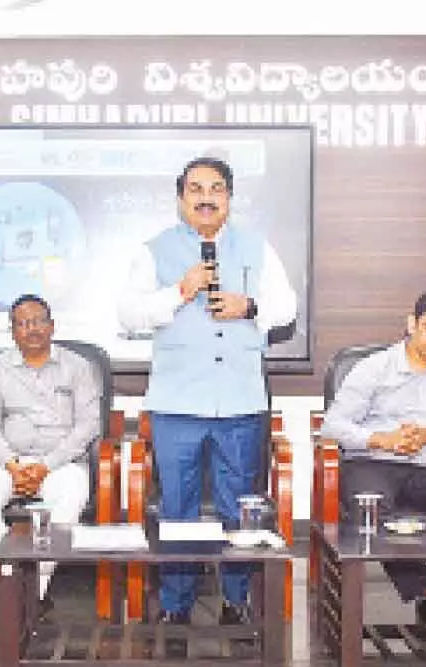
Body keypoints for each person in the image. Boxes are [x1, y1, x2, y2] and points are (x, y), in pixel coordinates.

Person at [118, 156, 297, 625]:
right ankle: (176, 604)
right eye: (195, 189)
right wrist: (180, 289)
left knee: (241, 502)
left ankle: (236, 599)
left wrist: (249, 304)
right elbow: (130, 315)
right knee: (177, 504)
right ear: (181, 199)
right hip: (177, 401)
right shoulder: (153, 251)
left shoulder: (258, 248)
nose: (205, 197)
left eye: (216, 188)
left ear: (229, 199)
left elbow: (286, 307)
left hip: (239, 398)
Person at [320, 290, 426, 622]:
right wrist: (383, 439)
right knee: (371, 504)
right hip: (373, 461)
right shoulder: (375, 368)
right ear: (411, 325)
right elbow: (332, 426)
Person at [0, 294, 100, 601]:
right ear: (13, 332)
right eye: (23, 324)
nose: (32, 329)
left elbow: (89, 425)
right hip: (7, 462)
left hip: (60, 464)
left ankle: (33, 588)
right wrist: (13, 464)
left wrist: (45, 466)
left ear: (52, 326)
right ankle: (10, 580)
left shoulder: (78, 367)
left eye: (38, 321)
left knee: (70, 500)